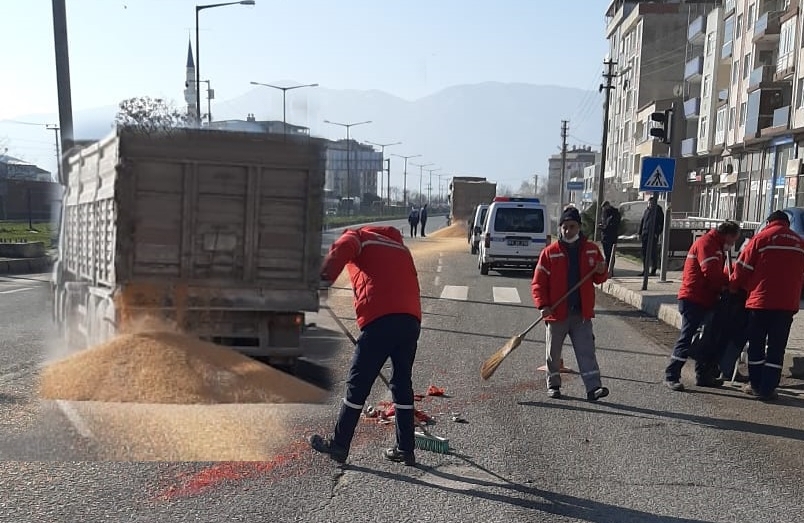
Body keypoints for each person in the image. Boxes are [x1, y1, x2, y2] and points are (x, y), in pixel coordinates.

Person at [309, 226, 422, 465]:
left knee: (357, 385)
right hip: (411, 320)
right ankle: (406, 448)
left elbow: (341, 249)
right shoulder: (401, 248)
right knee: (402, 383)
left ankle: (339, 446)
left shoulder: (359, 237)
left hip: (380, 320)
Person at [531, 207, 610, 401]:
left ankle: (593, 388)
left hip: (581, 314)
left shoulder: (591, 249)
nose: (568, 231)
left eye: (572, 226)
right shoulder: (550, 253)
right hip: (556, 312)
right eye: (564, 227)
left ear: (579, 227)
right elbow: (538, 283)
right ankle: (554, 385)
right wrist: (543, 305)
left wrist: (601, 269)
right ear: (560, 228)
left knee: (587, 352)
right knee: (553, 353)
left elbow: (600, 278)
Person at [729, 210, 804, 401]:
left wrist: (733, 287)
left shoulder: (761, 238)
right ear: (786, 223)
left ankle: (755, 385)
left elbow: (742, 267)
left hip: (760, 302)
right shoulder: (799, 242)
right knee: (777, 348)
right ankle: (768, 388)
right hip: (787, 305)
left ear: (770, 222)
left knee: (757, 345)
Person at [664, 220, 741, 391]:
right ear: (728, 234)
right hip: (694, 298)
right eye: (734, 239)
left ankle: (703, 375)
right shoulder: (707, 244)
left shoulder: (715, 244)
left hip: (705, 298)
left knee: (706, 339)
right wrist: (728, 284)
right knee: (688, 337)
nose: (733, 243)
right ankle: (672, 375)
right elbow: (710, 273)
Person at [638, 196, 664, 276]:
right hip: (645, 234)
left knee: (653, 253)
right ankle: (645, 270)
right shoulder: (647, 211)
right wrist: (640, 233)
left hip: (653, 235)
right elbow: (642, 222)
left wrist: (657, 233)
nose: (649, 204)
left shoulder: (658, 211)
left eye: (651, 203)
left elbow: (661, 224)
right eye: (648, 203)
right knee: (644, 253)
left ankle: (653, 269)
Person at [599, 201, 621, 272]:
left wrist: (603, 227)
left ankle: (610, 270)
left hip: (611, 237)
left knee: (610, 255)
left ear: (608, 206)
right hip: (604, 237)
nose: (604, 209)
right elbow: (603, 222)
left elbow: (612, 226)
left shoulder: (614, 213)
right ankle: (607, 269)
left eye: (604, 207)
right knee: (606, 254)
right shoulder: (604, 213)